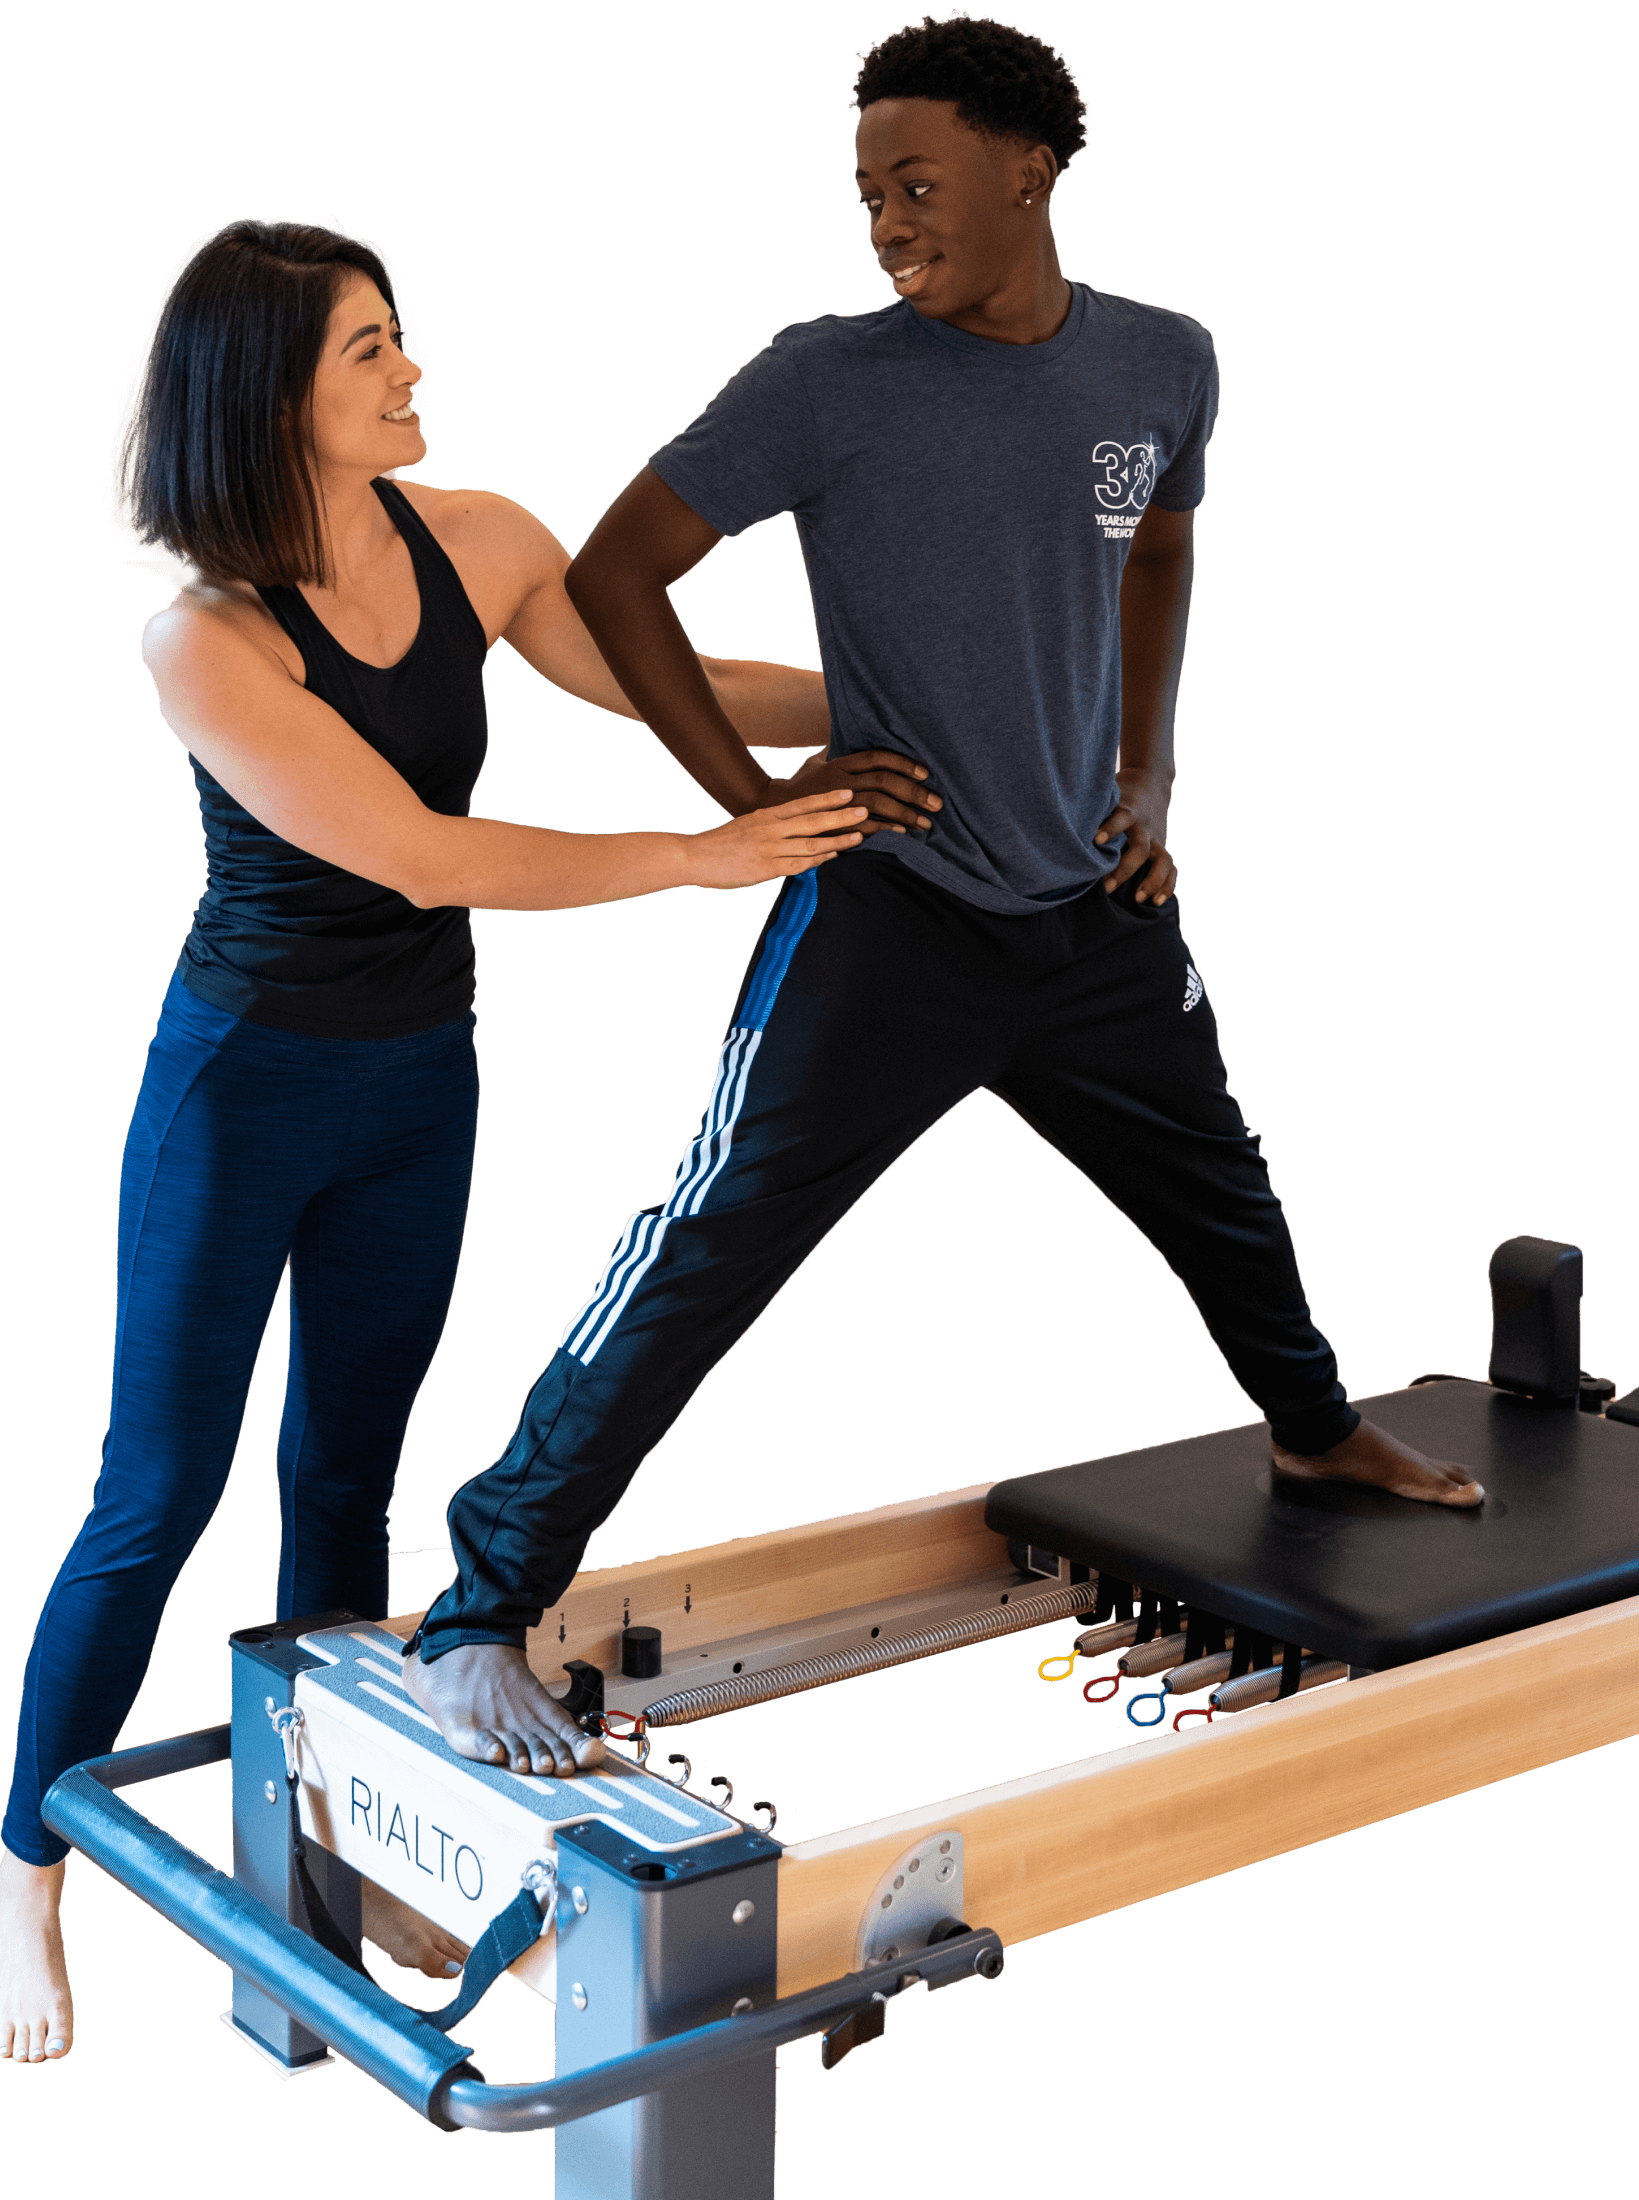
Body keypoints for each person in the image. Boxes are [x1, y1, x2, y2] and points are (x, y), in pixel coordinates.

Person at [396, 17, 1486, 1773]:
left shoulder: (1163, 361)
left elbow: (1167, 546)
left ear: (1029, 168)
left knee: (1225, 1191)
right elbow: (615, 572)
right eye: (865, 193)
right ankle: (475, 1609)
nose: (888, 220)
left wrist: (1150, 780)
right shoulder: (825, 379)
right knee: (699, 1251)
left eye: (918, 182)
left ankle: (1310, 1429)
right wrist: (750, 802)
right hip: (889, 917)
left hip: (1091, 908)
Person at [0, 215, 925, 2065]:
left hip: (422, 1084)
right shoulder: (207, 640)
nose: (412, 365)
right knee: (153, 1499)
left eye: (399, 331)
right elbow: (418, 852)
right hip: (243, 1088)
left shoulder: (483, 537)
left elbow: (665, 688)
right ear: (267, 397)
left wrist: (927, 704)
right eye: (367, 349)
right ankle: (28, 1875)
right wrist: (700, 856)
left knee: (346, 1481)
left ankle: (323, 1870)